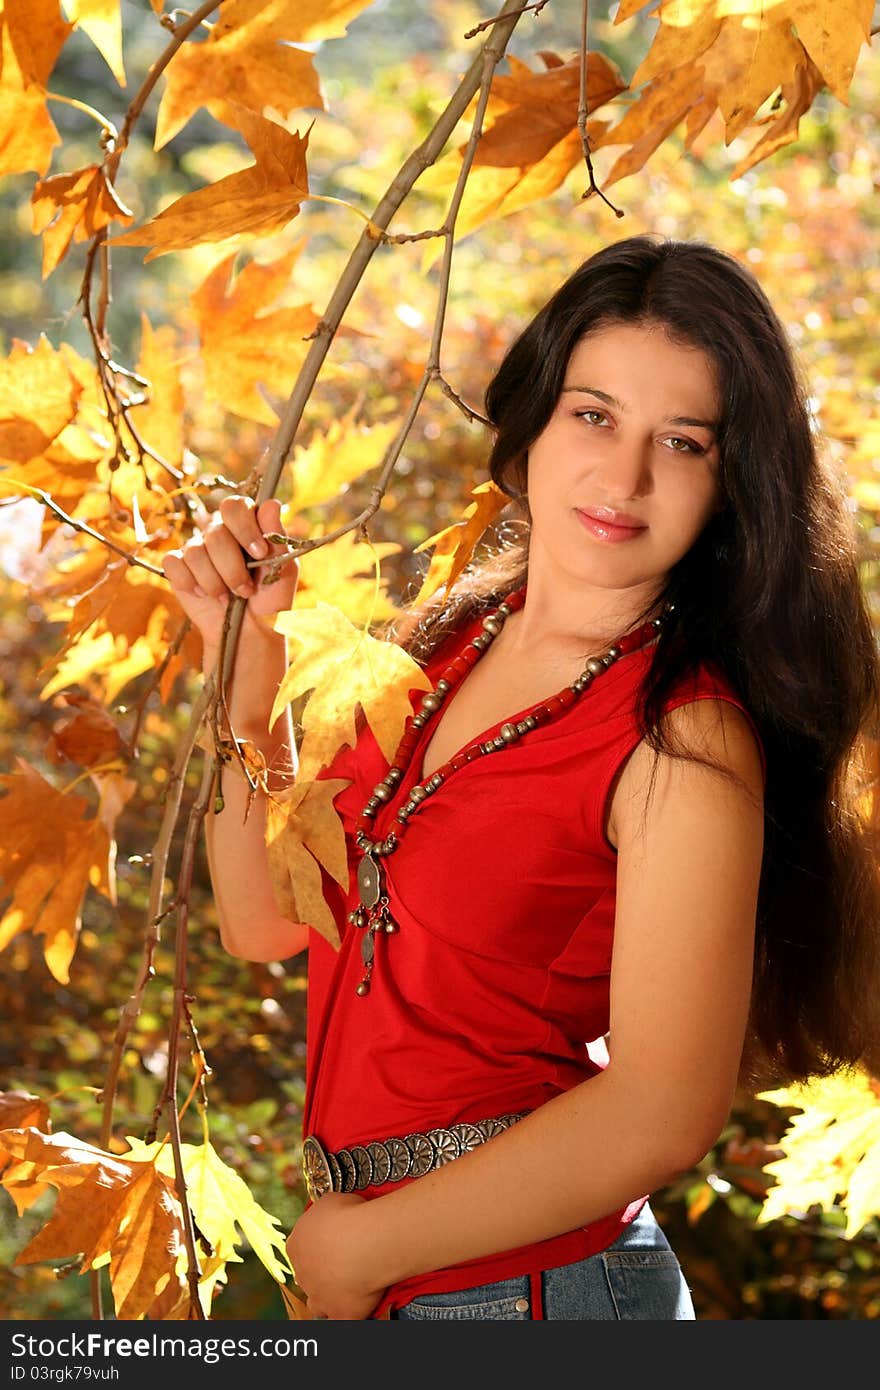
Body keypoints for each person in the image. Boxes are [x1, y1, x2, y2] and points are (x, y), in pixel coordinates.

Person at [162, 234, 880, 1321]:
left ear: (731, 486)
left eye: (681, 443)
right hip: (389, 1275)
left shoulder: (684, 745)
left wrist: (360, 1249)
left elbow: (661, 1111)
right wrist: (243, 683)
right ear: (533, 418)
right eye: (593, 415)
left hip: (542, 1294)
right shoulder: (440, 643)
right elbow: (267, 917)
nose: (624, 477)